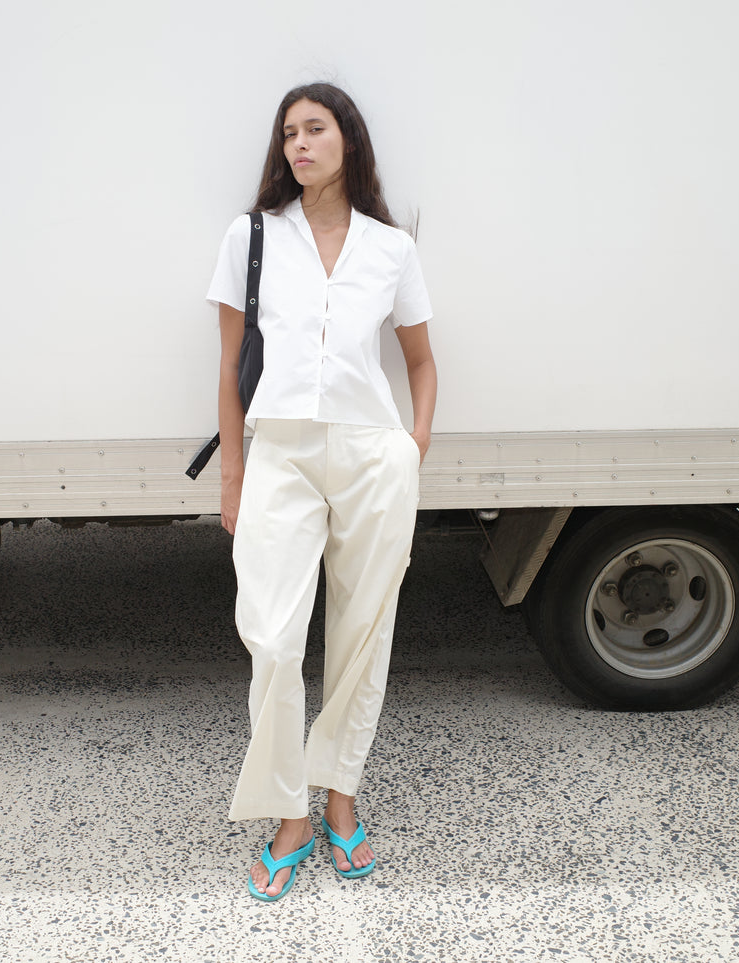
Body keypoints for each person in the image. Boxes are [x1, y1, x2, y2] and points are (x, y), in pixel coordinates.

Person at [206, 82, 438, 901]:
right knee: (272, 636)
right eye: (288, 134)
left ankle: (338, 802)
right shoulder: (253, 237)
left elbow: (419, 361)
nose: (299, 144)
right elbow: (233, 371)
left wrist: (410, 446)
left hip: (372, 455)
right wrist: (233, 475)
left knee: (361, 632)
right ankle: (287, 813)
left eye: (315, 129)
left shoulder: (389, 247)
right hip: (283, 453)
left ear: (348, 140)